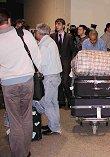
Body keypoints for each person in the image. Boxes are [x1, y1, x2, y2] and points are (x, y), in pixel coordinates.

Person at [0, 8, 41, 157]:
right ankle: (25, 151)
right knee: (26, 117)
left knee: (14, 120)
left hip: (8, 84)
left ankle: (19, 154)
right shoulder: (24, 34)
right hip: (27, 81)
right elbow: (37, 56)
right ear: (9, 20)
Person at [33, 23, 62, 135]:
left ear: (40, 33)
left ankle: (54, 127)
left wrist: (37, 69)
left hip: (50, 77)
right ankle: (54, 126)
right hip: (55, 76)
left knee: (47, 103)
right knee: (54, 103)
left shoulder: (44, 45)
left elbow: (42, 63)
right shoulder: (50, 41)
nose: (35, 33)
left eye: (36, 31)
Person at [51, 18, 75, 108]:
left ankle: (69, 101)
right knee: (58, 82)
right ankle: (60, 101)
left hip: (66, 63)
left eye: (59, 24)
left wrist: (71, 61)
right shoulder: (52, 36)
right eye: (56, 24)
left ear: (63, 26)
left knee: (65, 82)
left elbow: (73, 50)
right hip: (56, 63)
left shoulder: (69, 36)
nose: (57, 26)